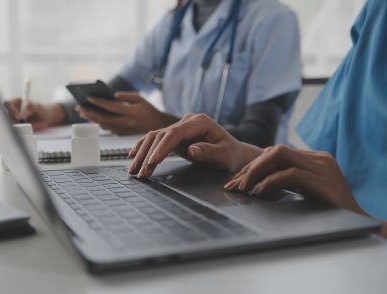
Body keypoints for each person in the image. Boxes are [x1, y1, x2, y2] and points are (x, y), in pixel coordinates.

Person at [128, 0, 387, 224]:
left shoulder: (272, 18)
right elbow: (336, 173)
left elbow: (263, 132)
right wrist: (239, 154)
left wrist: (361, 222)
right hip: (330, 221)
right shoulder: (376, 12)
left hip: (360, 241)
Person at [5, 0, 302, 147]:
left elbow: (260, 136)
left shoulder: (273, 20)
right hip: (184, 166)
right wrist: (52, 111)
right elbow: (115, 91)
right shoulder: (174, 22)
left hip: (253, 179)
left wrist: (162, 125)